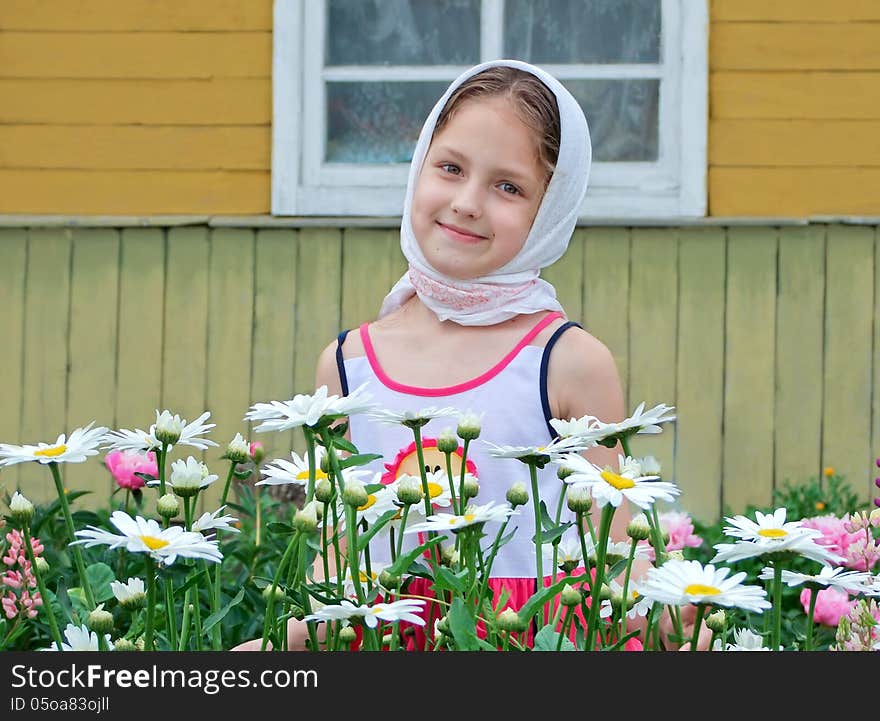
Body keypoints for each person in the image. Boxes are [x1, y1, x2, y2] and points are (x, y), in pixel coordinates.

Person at [235, 58, 708, 651]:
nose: (466, 202)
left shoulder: (566, 362)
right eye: (451, 167)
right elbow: (339, 552)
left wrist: (677, 619)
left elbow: (611, 549)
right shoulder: (347, 362)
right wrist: (287, 646)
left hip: (525, 641)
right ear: (418, 167)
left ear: (550, 211)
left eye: (508, 186)